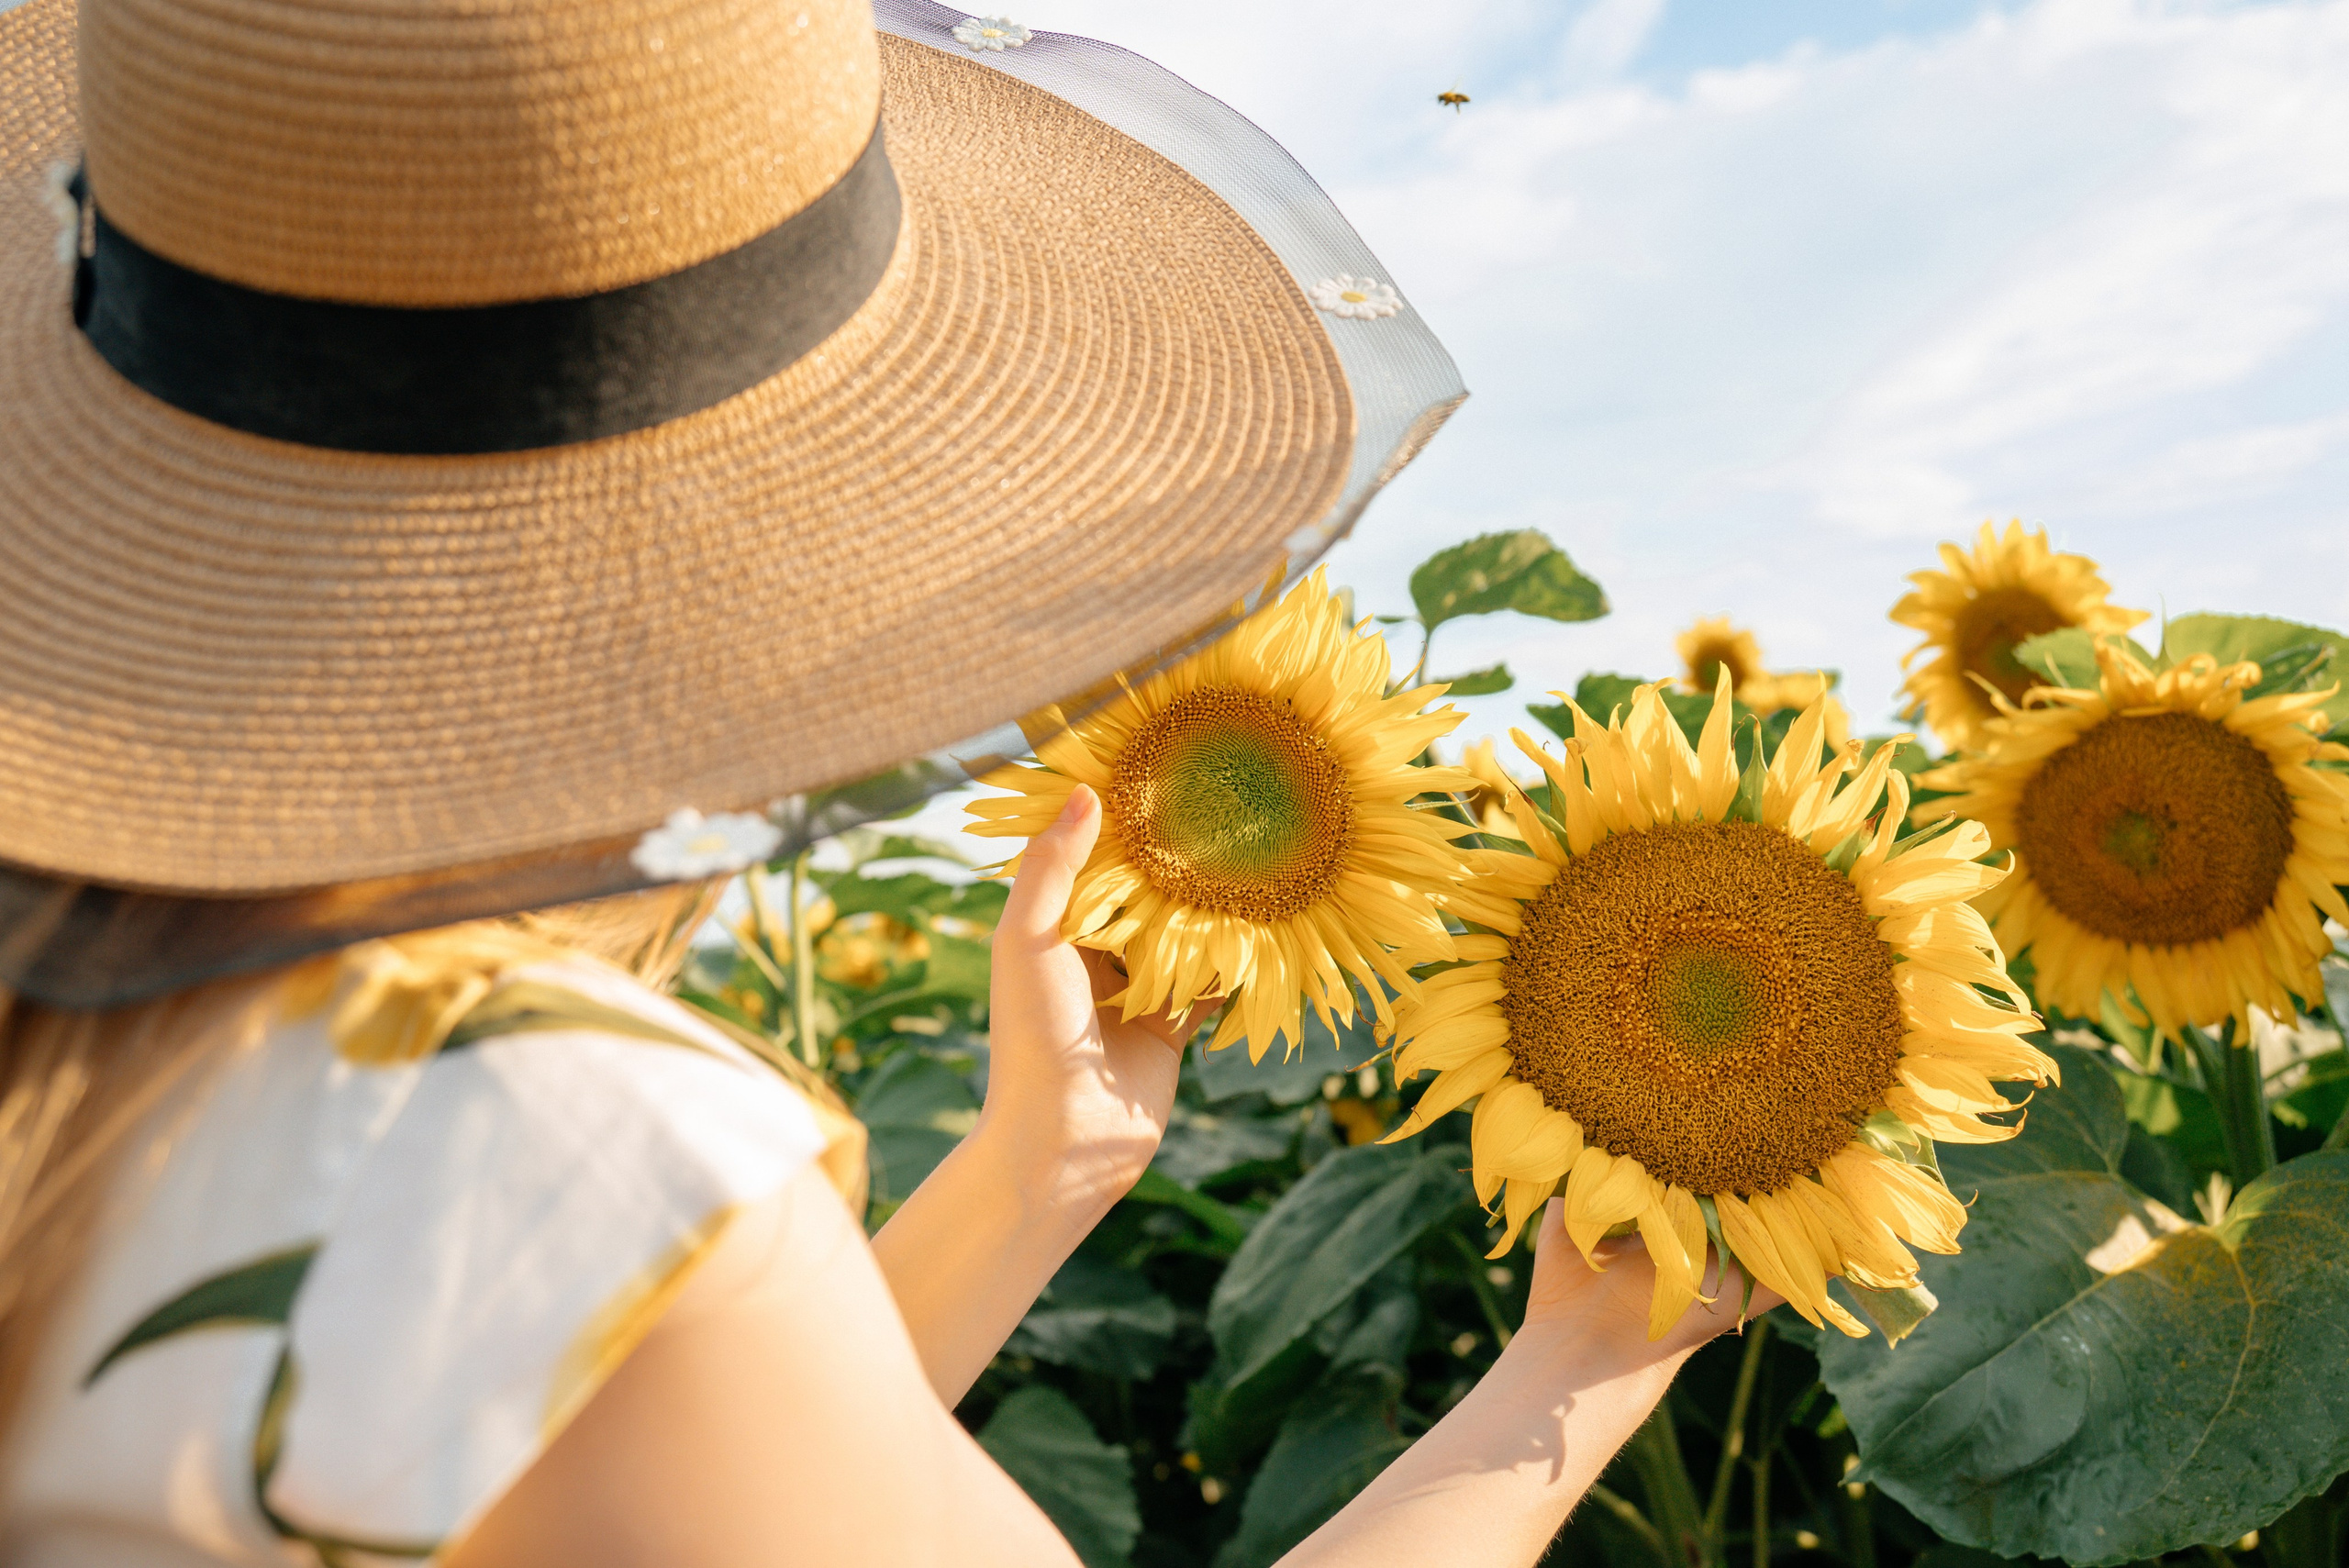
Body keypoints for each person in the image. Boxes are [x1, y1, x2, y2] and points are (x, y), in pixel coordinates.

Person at [0, 0, 1776, 1561]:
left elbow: (632, 1482)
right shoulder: (522, 1136)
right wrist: (1577, 1374)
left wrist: (1032, 1172)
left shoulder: (122, 1061)